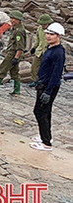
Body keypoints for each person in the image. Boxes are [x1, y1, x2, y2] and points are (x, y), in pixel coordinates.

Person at [30, 22, 66, 151]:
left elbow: (56, 73)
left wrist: (48, 91)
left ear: (58, 36)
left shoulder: (58, 53)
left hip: (48, 86)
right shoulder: (50, 48)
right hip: (43, 84)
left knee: (39, 112)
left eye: (52, 34)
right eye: (48, 34)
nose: (48, 36)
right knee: (46, 112)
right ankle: (46, 136)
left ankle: (46, 143)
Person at [0, 10, 26, 95]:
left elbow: (20, 47)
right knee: (14, 72)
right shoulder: (16, 28)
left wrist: (16, 57)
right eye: (11, 18)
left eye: (14, 19)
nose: (11, 20)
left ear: (18, 20)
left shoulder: (18, 31)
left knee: (2, 70)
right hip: (13, 53)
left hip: (13, 53)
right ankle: (16, 91)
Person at [28, 14, 53, 87]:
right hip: (39, 51)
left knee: (45, 68)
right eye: (41, 24)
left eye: (44, 24)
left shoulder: (52, 30)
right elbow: (37, 39)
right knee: (34, 67)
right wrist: (34, 47)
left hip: (48, 52)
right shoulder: (39, 28)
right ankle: (35, 80)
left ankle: (45, 82)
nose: (43, 26)